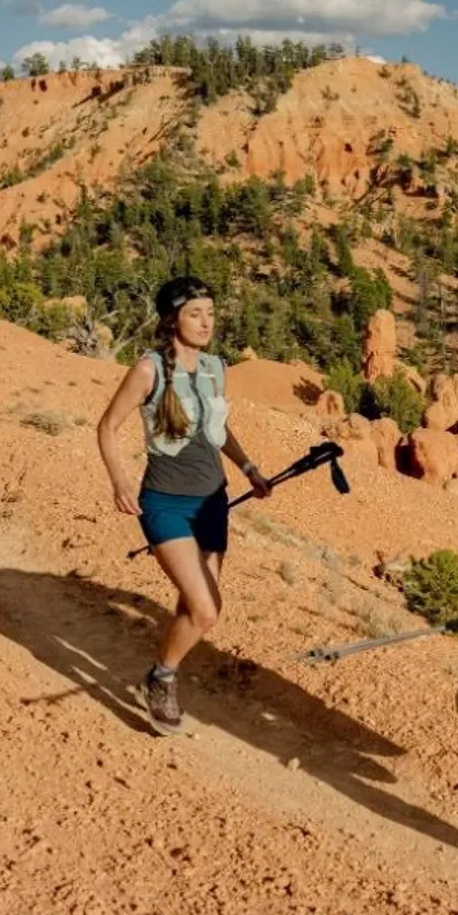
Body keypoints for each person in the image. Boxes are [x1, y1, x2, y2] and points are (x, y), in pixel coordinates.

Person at [96, 276, 272, 736]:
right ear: (172, 318)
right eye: (196, 313)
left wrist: (249, 467)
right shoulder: (149, 370)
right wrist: (120, 481)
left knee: (195, 607)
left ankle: (163, 669)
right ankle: (162, 676)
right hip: (165, 503)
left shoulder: (215, 367)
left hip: (213, 502)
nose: (206, 322)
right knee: (207, 608)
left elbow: (218, 429)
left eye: (211, 313)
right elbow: (107, 427)